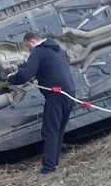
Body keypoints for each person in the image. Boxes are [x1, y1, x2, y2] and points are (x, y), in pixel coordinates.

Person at [7, 31, 75, 177]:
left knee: (49, 131)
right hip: (69, 93)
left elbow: (24, 75)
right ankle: (54, 162)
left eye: (28, 47)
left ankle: (48, 169)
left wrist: (10, 78)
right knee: (59, 129)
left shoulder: (38, 52)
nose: (29, 50)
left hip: (56, 95)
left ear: (32, 42)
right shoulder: (57, 49)